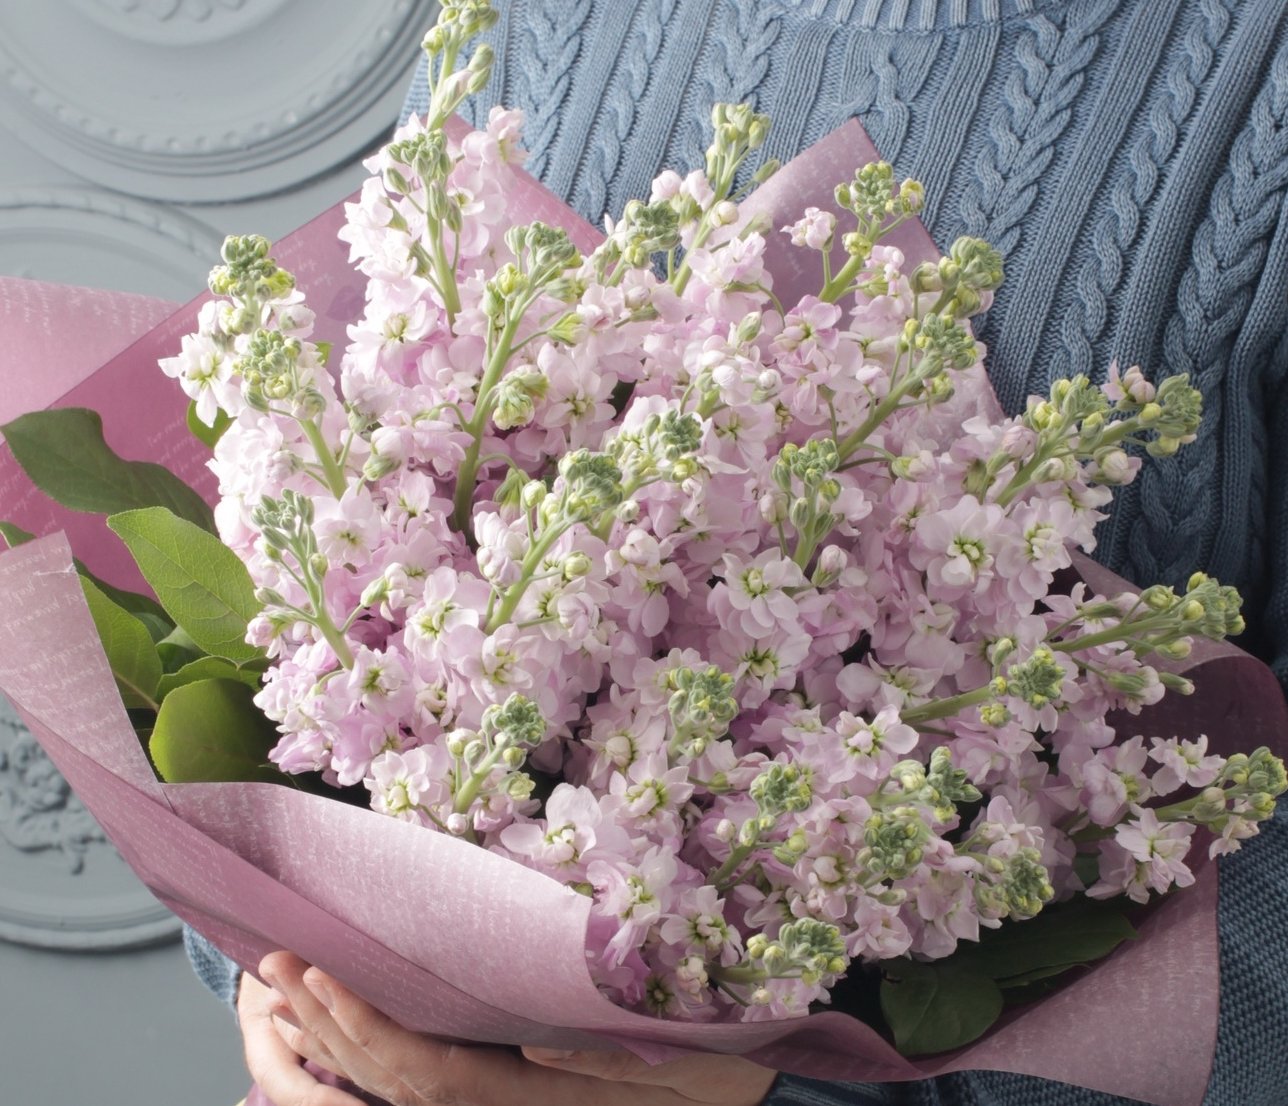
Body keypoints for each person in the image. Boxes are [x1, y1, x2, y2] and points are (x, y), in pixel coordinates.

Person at [191, 1, 1288, 1102]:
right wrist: (289, 969)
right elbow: (284, 620)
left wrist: (793, 1093)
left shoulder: (1256, 86)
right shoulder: (526, 25)